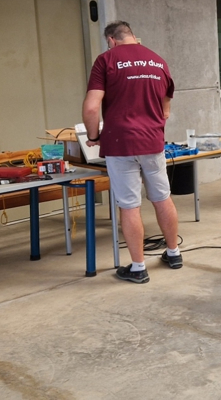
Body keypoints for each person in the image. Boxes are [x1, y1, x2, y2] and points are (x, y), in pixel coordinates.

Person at [82, 21, 181, 283]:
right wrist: (154, 123)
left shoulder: (106, 60)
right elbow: (166, 104)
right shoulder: (158, 61)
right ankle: (174, 253)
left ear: (111, 40)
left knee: (129, 205)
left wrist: (93, 137)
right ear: (134, 37)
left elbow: (92, 108)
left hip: (120, 143)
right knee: (162, 197)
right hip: (152, 142)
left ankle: (138, 268)